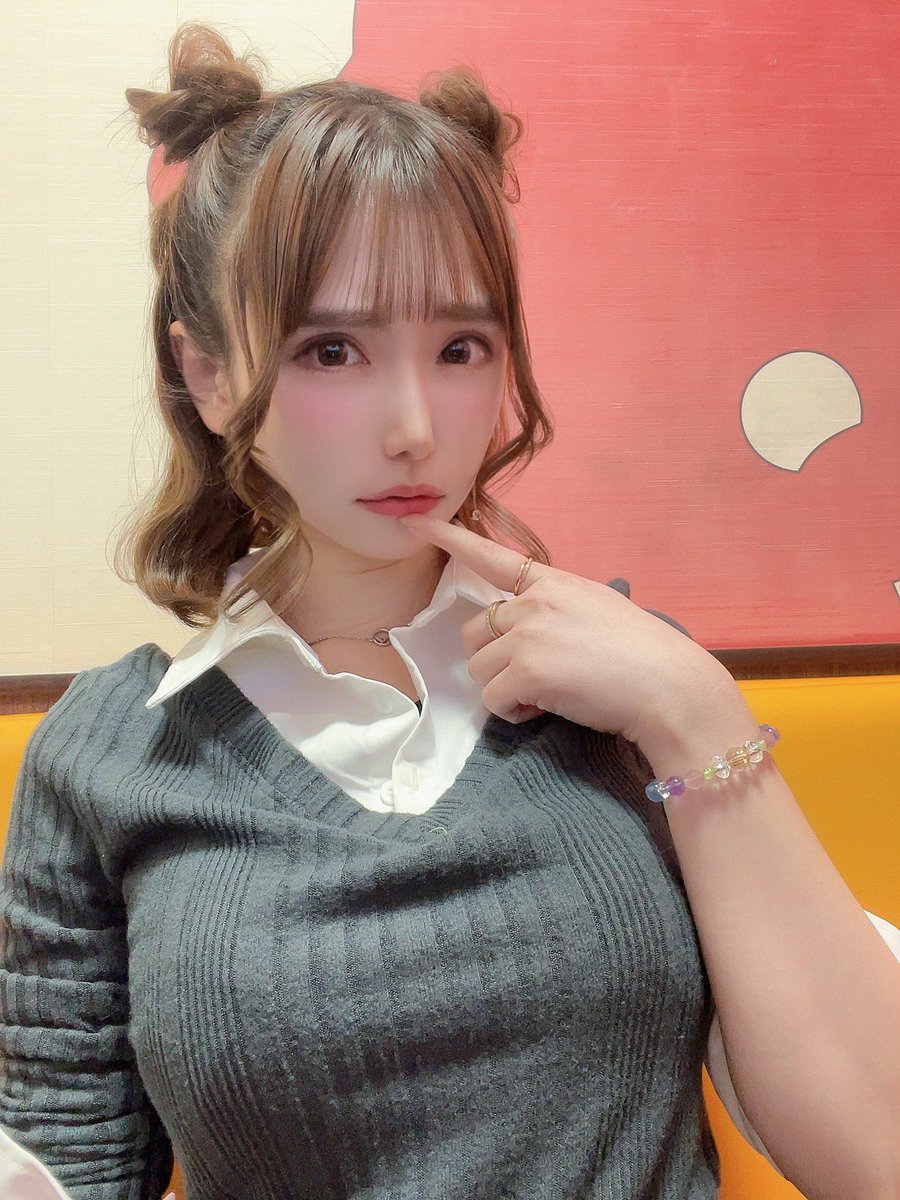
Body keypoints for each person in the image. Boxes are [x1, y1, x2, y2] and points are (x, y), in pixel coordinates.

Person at [1, 22, 898, 1200]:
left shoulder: (634, 687)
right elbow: (68, 1160)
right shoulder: (110, 759)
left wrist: (694, 712)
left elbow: (877, 1156)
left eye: (462, 346)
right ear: (209, 375)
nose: (416, 427)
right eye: (332, 350)